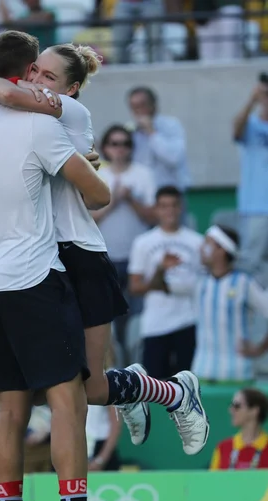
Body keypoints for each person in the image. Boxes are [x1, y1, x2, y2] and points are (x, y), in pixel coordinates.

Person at [0, 43, 209, 458]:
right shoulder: (24, 111)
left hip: (77, 254)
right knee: (35, 393)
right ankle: (132, 387)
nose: (36, 81)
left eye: (48, 77)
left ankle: (174, 392)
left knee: (82, 388)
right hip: (40, 261)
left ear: (69, 90)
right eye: (34, 71)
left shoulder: (64, 111)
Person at [0, 30, 135, 501]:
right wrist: (79, 162)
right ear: (30, 71)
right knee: (67, 400)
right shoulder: (41, 125)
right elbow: (99, 195)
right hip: (32, 278)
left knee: (9, 411)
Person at [94, 124, 156, 359]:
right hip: (106, 256)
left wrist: (131, 200)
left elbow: (153, 217)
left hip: (138, 258)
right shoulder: (98, 175)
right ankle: (118, 365)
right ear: (106, 148)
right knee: (111, 316)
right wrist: (114, 201)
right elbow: (89, 218)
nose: (120, 149)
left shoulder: (144, 174)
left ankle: (139, 364)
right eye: (114, 143)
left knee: (139, 315)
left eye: (125, 144)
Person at [128, 186, 203, 380]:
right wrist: (161, 271)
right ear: (156, 209)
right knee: (155, 387)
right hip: (156, 325)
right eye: (163, 206)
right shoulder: (143, 242)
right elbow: (135, 287)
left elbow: (202, 285)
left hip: (188, 322)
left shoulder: (197, 242)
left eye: (173, 205)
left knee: (188, 387)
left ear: (181, 208)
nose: (169, 210)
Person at [192, 226, 268, 383]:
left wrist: (260, 349)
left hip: (238, 375)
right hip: (201, 373)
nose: (201, 247)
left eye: (207, 243)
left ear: (222, 249)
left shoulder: (245, 283)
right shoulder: (198, 283)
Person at [233, 76, 268, 288]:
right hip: (256, 208)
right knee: (251, 265)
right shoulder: (251, 125)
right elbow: (236, 130)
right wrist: (251, 101)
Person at [127, 86, 190, 193]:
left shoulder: (171, 125)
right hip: (142, 193)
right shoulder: (130, 131)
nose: (138, 111)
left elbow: (174, 158)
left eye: (142, 105)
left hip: (170, 190)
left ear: (153, 105)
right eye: (134, 107)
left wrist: (151, 132)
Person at [210, 388, 268, 470]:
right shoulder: (223, 448)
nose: (231, 410)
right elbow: (212, 481)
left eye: (236, 406)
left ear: (254, 411)